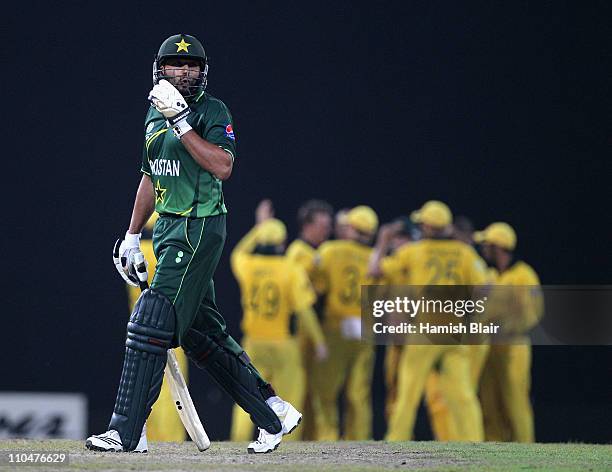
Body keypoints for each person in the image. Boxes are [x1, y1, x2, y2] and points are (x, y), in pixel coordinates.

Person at [86, 33, 299, 454]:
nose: (183, 72)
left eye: (192, 66)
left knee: (151, 323)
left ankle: (127, 432)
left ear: (202, 72)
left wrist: (182, 123)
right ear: (159, 68)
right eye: (175, 65)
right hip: (167, 229)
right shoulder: (152, 111)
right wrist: (132, 235)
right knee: (204, 337)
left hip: (199, 227)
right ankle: (273, 413)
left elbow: (223, 166)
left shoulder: (213, 110)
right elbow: (151, 175)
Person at [369, 200, 486, 441]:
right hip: (455, 331)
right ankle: (476, 444)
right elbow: (486, 288)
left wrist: (382, 242)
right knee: (463, 396)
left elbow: (375, 270)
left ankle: (396, 440)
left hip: (424, 332)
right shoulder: (465, 253)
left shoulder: (414, 251)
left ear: (428, 227)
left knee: (408, 395)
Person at [230, 202, 328, 441]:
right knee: (290, 396)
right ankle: (288, 447)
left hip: (253, 342)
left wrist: (259, 227)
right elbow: (305, 311)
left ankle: (238, 440)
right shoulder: (291, 269)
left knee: (247, 394)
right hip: (283, 343)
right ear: (283, 243)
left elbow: (237, 252)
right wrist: (319, 342)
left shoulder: (248, 265)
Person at [310, 205, 379, 440]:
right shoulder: (374, 259)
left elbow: (317, 285)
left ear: (352, 228)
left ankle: (327, 437)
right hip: (364, 327)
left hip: (336, 325)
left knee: (326, 390)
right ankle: (359, 440)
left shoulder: (330, 250)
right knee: (359, 392)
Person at [474, 222, 542, 442]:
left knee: (515, 402)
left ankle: (525, 450)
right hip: (489, 347)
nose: (484, 249)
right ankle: (494, 451)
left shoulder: (524, 275)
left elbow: (533, 312)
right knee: (488, 401)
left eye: (487, 245)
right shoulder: (489, 275)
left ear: (499, 247)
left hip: (513, 347)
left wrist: (506, 327)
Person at [124, 212, 188, 443]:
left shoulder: (134, 255)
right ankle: (171, 440)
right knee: (170, 395)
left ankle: (140, 437)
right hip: (167, 333)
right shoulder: (167, 254)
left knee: (140, 387)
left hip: (139, 332)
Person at [285, 199, 333, 440]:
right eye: (322, 226)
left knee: (315, 387)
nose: (326, 231)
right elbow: (299, 299)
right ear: (307, 225)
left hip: (315, 324)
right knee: (299, 386)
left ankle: (311, 438)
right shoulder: (297, 252)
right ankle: (296, 437)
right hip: (301, 329)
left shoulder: (315, 252)